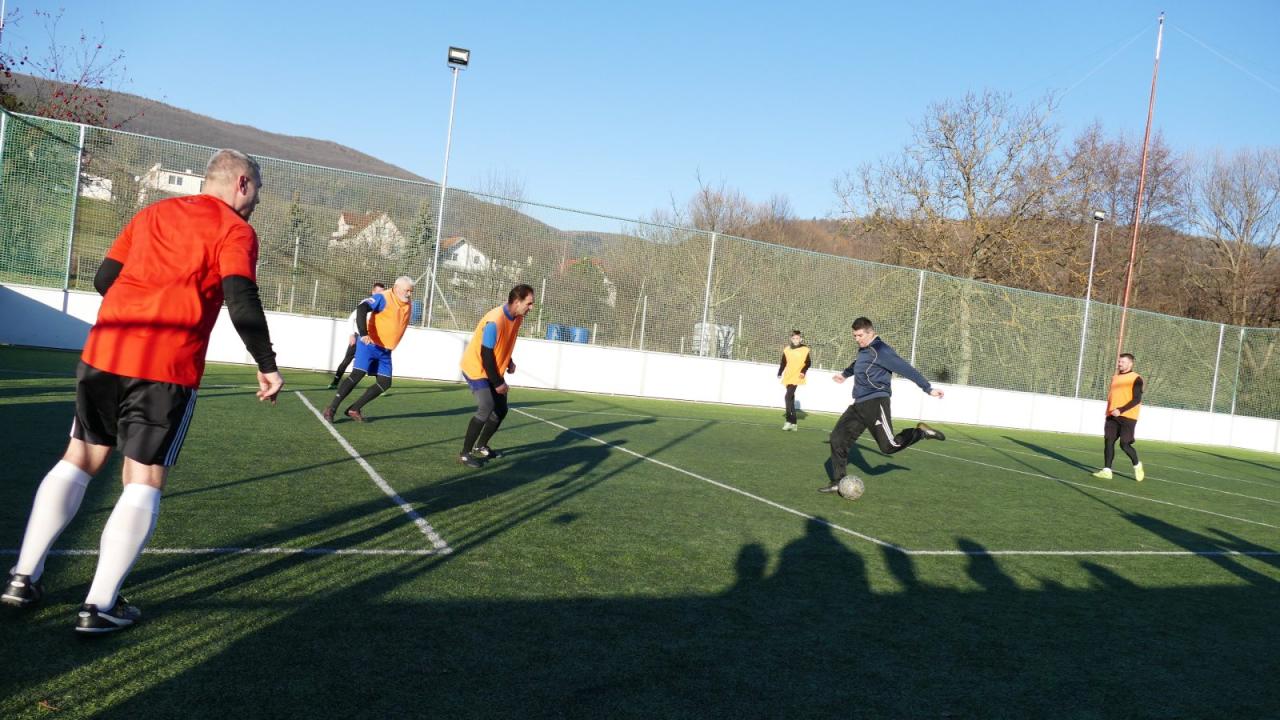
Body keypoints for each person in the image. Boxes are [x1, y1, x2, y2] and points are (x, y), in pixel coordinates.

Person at [2, 149, 283, 633]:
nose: (257, 199)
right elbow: (241, 298)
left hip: (104, 353)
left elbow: (104, 279)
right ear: (241, 183)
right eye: (257, 188)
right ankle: (99, 605)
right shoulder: (235, 230)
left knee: (79, 457)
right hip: (164, 366)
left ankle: (22, 578)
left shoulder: (152, 212)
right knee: (144, 479)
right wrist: (267, 364)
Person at [821, 317, 946, 493]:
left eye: (860, 335)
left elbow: (905, 368)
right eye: (854, 336)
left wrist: (928, 388)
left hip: (876, 401)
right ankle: (838, 481)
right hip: (859, 404)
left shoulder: (881, 350)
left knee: (889, 446)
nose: (857, 339)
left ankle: (920, 432)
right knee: (837, 438)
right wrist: (845, 374)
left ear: (871, 332)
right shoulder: (865, 350)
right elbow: (858, 364)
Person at [457, 284, 536, 467]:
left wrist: (509, 361)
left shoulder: (517, 318)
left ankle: (481, 446)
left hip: (492, 368)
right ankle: (465, 454)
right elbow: (486, 355)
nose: (531, 307)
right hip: (477, 368)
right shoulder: (495, 321)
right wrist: (498, 382)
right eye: (529, 303)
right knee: (487, 406)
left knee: (501, 409)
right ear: (517, 302)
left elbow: (503, 343)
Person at [322, 276, 414, 422]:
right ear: (396, 288)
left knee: (385, 383)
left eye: (411, 291)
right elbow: (362, 308)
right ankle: (331, 409)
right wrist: (363, 333)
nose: (409, 294)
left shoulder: (407, 302)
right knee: (357, 374)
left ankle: (354, 409)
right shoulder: (383, 297)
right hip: (369, 345)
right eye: (407, 290)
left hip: (385, 351)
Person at [1092, 353, 1145, 482]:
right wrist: (1110, 411)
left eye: (1123, 362)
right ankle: (1107, 471)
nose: (1119, 364)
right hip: (1111, 415)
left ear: (1130, 364)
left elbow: (1137, 399)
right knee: (1109, 441)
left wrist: (1121, 410)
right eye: (1119, 361)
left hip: (1128, 416)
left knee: (1124, 444)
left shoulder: (1136, 378)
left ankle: (1137, 465)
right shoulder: (1114, 378)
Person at [328, 282, 386, 389]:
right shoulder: (366, 303)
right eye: (378, 292)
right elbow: (351, 318)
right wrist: (351, 334)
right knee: (347, 360)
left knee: (376, 361)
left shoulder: (382, 306)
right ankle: (335, 382)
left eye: (382, 293)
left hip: (372, 340)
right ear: (373, 292)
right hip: (359, 337)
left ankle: (380, 386)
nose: (380, 295)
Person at [777, 329, 810, 431]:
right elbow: (783, 362)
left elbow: (808, 363)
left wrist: (803, 371)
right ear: (791, 339)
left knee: (787, 397)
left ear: (800, 339)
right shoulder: (787, 349)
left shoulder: (805, 349)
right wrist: (780, 372)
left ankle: (788, 421)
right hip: (788, 376)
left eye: (797, 338)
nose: (796, 340)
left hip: (797, 376)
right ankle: (794, 423)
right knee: (791, 398)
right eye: (794, 338)